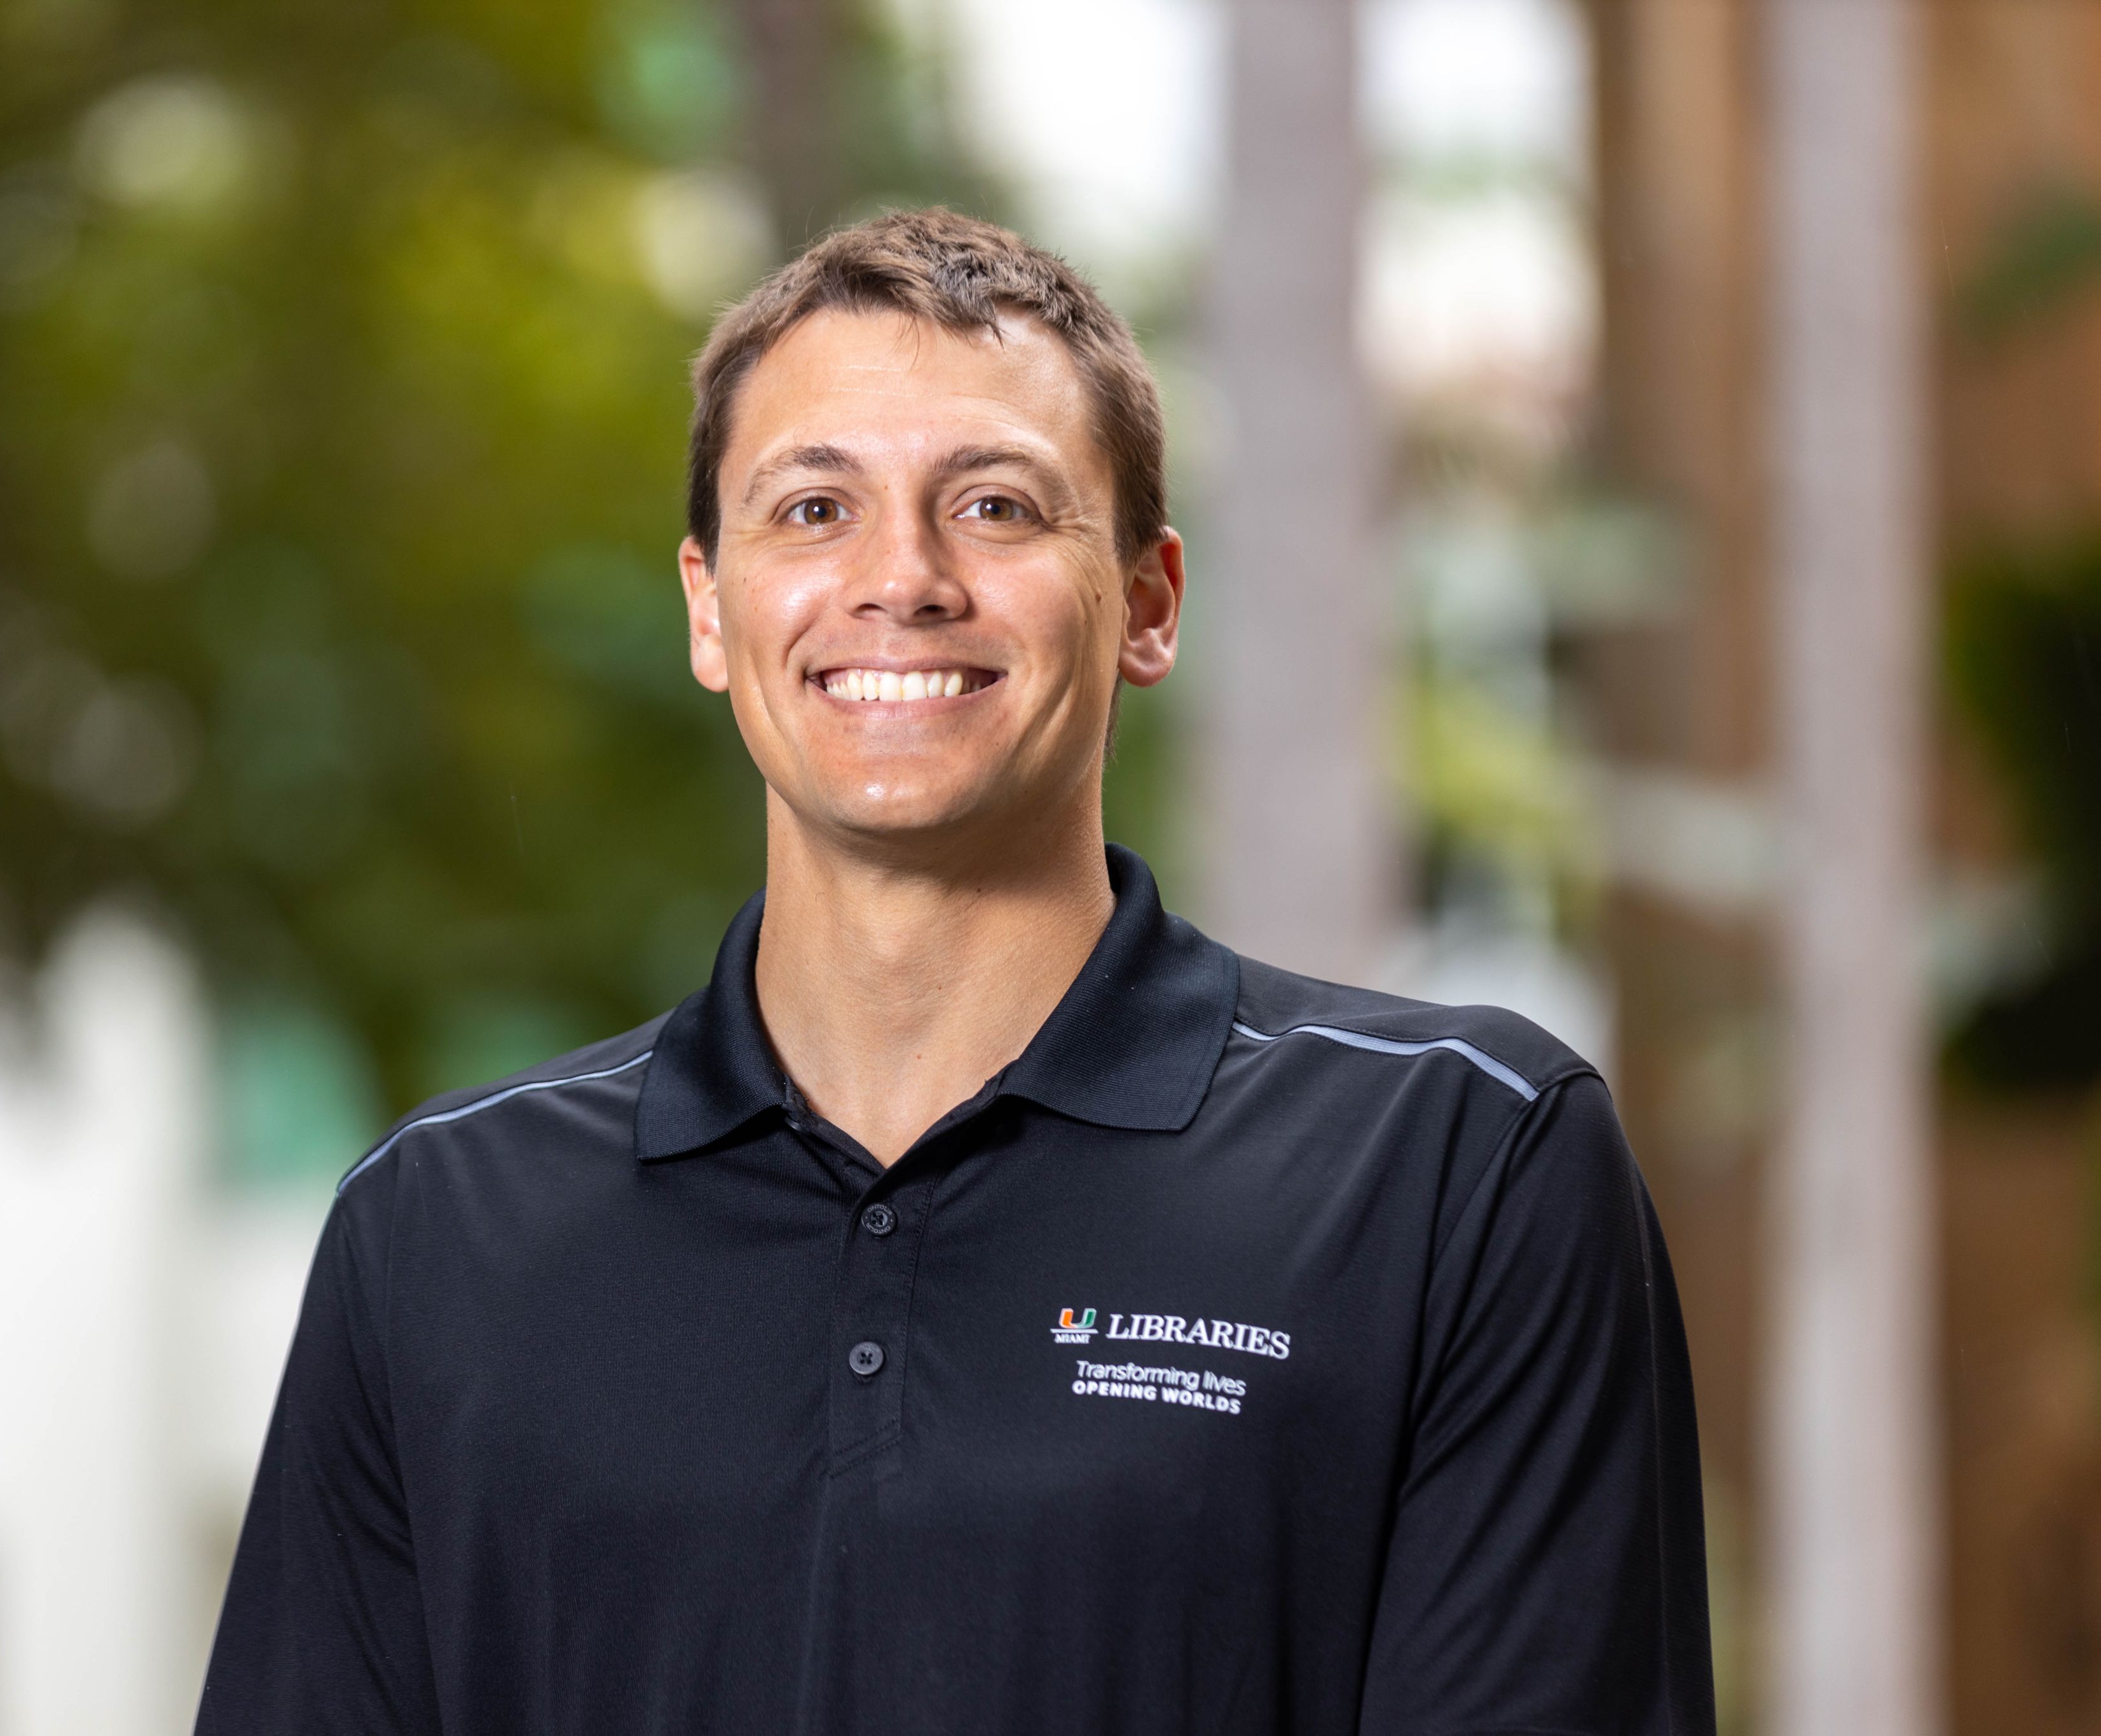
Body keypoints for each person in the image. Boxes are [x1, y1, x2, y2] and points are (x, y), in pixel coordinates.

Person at [195, 208, 1713, 1735]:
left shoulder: (1460, 1166)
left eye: (992, 505)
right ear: (707, 608)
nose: (901, 578)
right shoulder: (438, 1231)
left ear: (1151, 601)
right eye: (809, 511)